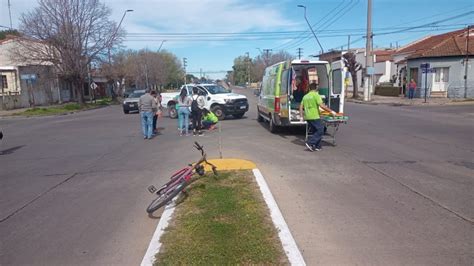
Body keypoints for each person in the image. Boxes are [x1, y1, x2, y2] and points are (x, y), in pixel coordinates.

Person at [299, 83, 336, 152]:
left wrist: (301, 116)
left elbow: (301, 107)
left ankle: (317, 146)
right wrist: (331, 111)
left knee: (315, 131)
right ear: (316, 88)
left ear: (309, 88)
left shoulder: (305, 96)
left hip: (307, 117)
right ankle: (310, 143)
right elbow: (322, 106)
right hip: (314, 116)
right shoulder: (316, 95)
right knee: (321, 130)